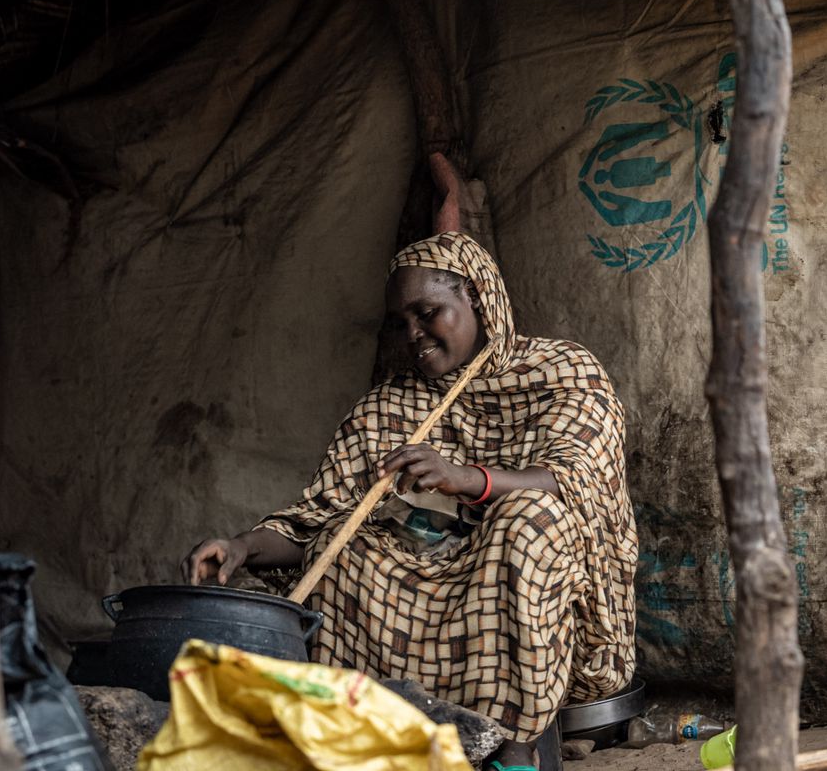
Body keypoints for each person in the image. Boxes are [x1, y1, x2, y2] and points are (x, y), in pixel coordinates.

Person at [183, 231, 637, 770]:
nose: (414, 335)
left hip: (548, 611)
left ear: (476, 297)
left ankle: (515, 754)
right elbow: (317, 521)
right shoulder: (390, 406)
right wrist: (239, 548)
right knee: (342, 545)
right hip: (423, 607)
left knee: (529, 522)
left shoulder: (561, 372)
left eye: (428, 312)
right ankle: (365, 741)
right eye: (402, 323)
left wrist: (465, 478)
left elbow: (575, 477)